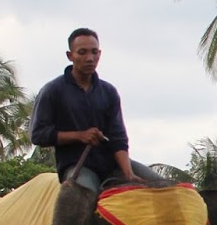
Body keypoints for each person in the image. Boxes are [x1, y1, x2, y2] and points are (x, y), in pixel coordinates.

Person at [29, 28, 156, 193]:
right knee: (84, 196)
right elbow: (38, 134)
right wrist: (80, 136)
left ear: (100, 54)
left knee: (163, 186)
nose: (90, 58)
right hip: (78, 166)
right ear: (70, 56)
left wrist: (128, 173)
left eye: (94, 52)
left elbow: (118, 137)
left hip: (112, 164)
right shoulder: (53, 91)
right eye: (82, 52)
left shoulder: (109, 91)